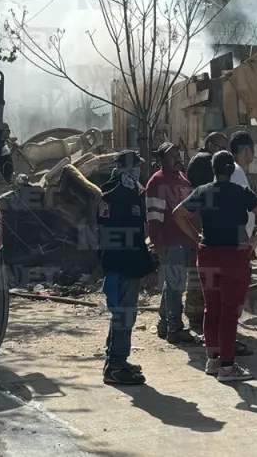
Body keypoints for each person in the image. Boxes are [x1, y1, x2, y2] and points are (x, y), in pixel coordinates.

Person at [173, 150, 257, 383]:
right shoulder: (242, 192)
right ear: (232, 168)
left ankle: (213, 360)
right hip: (234, 257)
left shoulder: (203, 191)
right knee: (229, 312)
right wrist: (254, 241)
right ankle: (228, 367)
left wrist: (196, 236)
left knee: (212, 308)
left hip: (207, 255)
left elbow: (178, 214)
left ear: (214, 170)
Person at [96, 151, 155, 386]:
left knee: (120, 314)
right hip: (126, 263)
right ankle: (116, 366)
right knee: (125, 315)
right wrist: (144, 263)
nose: (139, 171)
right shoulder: (127, 193)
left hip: (112, 261)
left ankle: (115, 360)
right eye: (137, 167)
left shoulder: (107, 190)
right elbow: (133, 236)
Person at [144, 141, 198, 345]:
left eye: (178, 154)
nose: (177, 158)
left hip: (186, 238)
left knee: (173, 283)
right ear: (162, 159)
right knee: (176, 284)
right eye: (172, 155)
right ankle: (175, 328)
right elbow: (153, 217)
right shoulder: (157, 182)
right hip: (170, 240)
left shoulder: (182, 178)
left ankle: (165, 324)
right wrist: (158, 243)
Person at [183, 132, 228, 333]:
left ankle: (196, 314)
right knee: (200, 266)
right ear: (210, 144)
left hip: (196, 215)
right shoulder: (205, 160)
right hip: (200, 217)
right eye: (220, 145)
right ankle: (196, 315)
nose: (222, 150)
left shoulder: (197, 158)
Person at [227, 130, 257, 357]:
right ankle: (229, 340)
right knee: (234, 292)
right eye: (252, 150)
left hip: (233, 240)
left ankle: (226, 338)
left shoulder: (233, 172)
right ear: (245, 150)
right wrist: (247, 242)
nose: (253, 156)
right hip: (237, 242)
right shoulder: (237, 173)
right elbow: (238, 210)